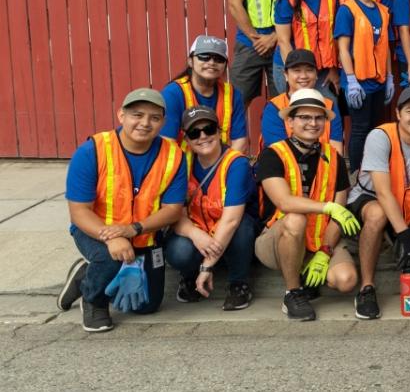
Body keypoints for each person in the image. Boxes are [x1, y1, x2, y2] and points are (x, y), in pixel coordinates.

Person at [57, 89, 187, 332]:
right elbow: (79, 211)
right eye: (137, 115)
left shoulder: (174, 155)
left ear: (163, 122)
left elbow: (173, 210)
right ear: (121, 116)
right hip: (95, 229)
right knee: (110, 257)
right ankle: (93, 299)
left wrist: (132, 229)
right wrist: (114, 237)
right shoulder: (92, 151)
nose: (145, 123)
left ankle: (85, 275)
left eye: (154, 117)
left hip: (143, 233)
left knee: (146, 306)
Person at [347, 85, 410, 320]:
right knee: (377, 215)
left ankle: (397, 240)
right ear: (398, 113)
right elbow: (383, 193)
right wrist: (405, 236)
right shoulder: (380, 136)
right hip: (371, 197)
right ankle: (366, 288)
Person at [255, 89, 360, 322]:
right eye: (304, 117)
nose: (312, 123)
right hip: (277, 238)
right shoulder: (273, 154)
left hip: (320, 238)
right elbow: (284, 201)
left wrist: (325, 251)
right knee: (295, 218)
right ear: (290, 121)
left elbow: (339, 213)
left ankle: (309, 268)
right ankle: (293, 293)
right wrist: (326, 207)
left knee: (346, 280)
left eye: (318, 117)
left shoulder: (334, 157)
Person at [165, 107, 256, 312]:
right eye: (195, 133)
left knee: (243, 227)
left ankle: (238, 283)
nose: (203, 136)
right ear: (186, 139)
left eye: (209, 129)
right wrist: (195, 234)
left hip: (231, 229)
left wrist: (208, 266)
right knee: (178, 251)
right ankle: (189, 278)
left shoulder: (236, 163)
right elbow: (174, 212)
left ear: (219, 132)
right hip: (198, 229)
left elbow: (231, 220)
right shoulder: (180, 163)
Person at [335, 0, 395, 174]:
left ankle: (372, 173)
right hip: (358, 82)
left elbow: (385, 46)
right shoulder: (347, 10)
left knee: (375, 128)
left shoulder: (383, 10)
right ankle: (356, 175)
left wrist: (390, 78)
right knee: (360, 129)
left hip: (378, 82)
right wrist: (350, 80)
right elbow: (343, 48)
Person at [161, 35, 249, 153]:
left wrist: (225, 168)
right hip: (182, 167)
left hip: (223, 166)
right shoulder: (173, 93)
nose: (211, 62)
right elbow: (167, 143)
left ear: (225, 65)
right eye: (204, 56)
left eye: (219, 59)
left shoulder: (233, 94)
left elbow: (240, 142)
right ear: (190, 61)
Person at [274, 0, 339, 102]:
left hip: (323, 69)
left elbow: (334, 36)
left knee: (328, 110)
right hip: (293, 67)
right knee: (297, 113)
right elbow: (283, 41)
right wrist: (295, 76)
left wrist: (333, 69)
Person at [260, 49, 344, 152]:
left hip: (324, 166)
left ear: (316, 74)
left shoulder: (329, 106)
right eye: (297, 70)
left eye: (309, 70)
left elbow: (336, 151)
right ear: (286, 75)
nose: (304, 76)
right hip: (285, 166)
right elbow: (279, 153)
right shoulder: (274, 107)